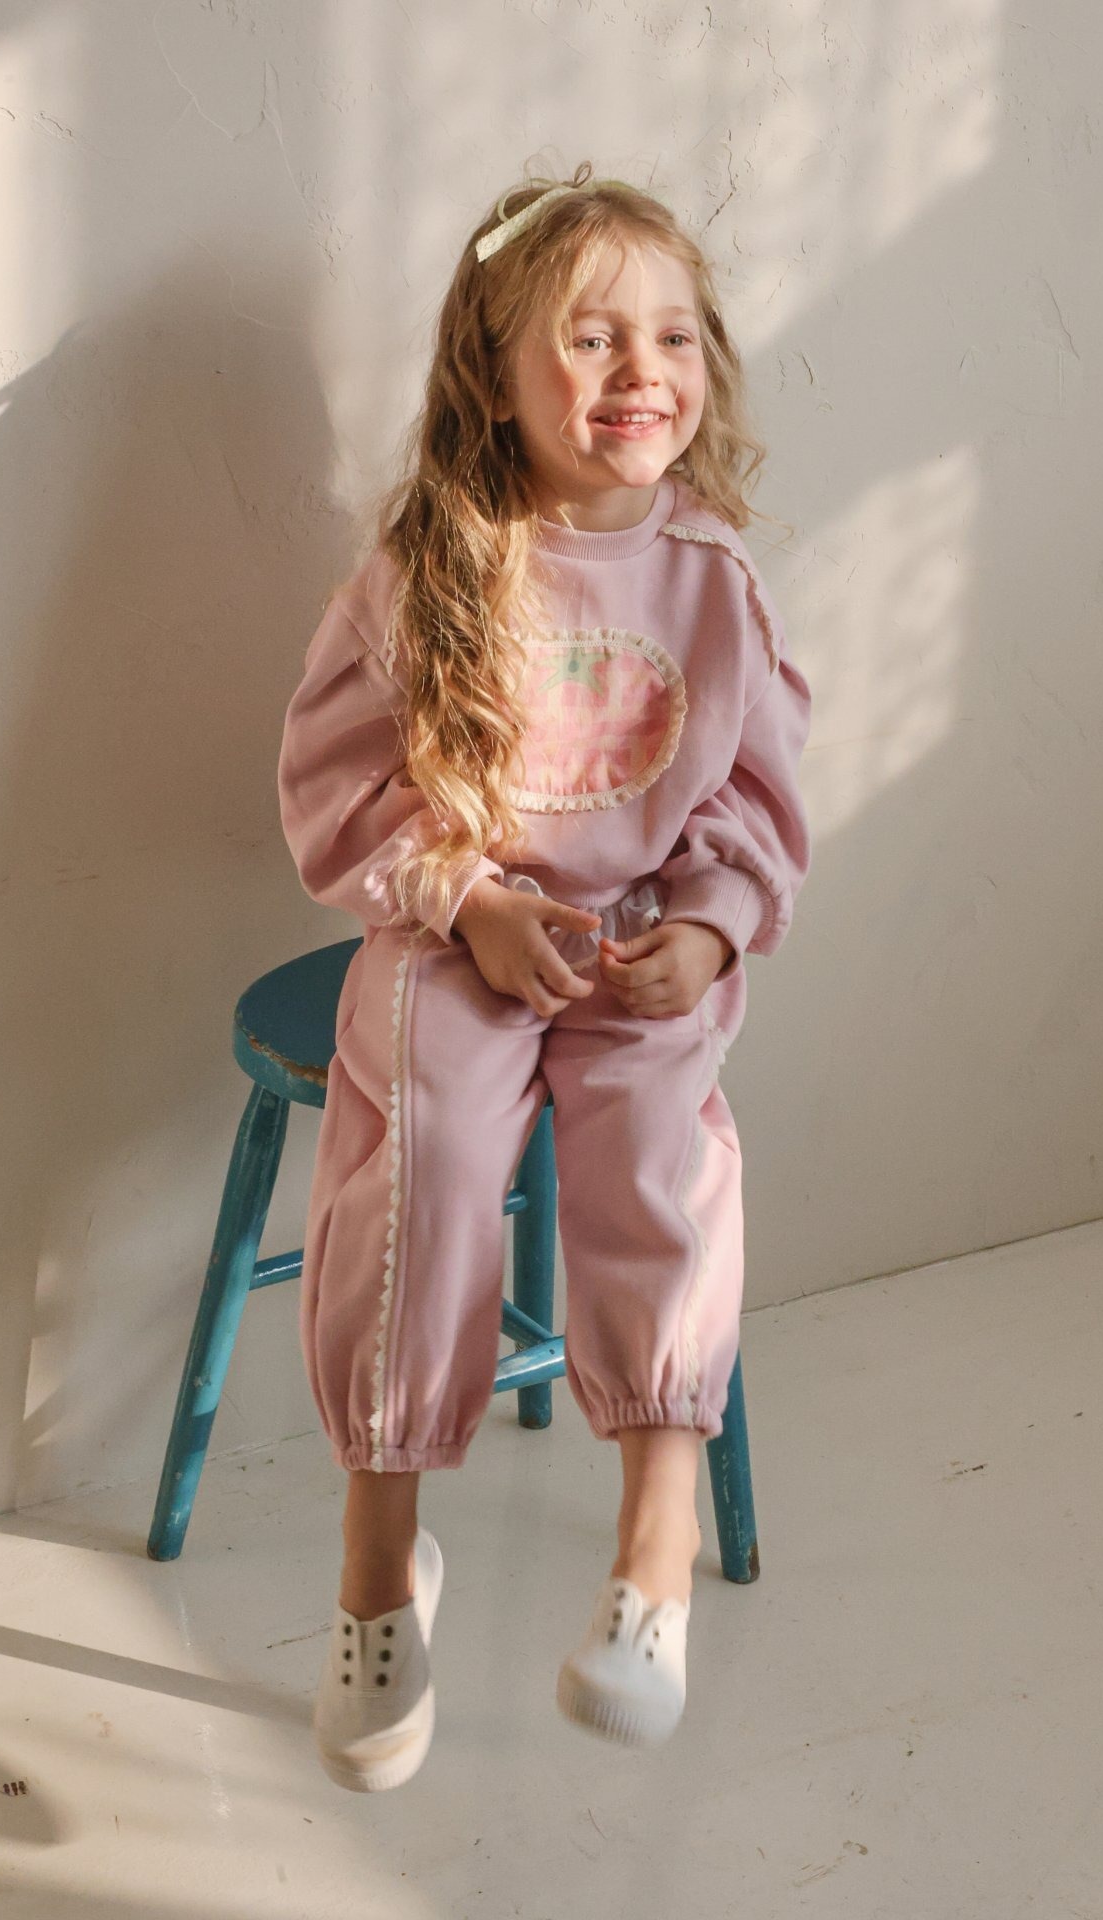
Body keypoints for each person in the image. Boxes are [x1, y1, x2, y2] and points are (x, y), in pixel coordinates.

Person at [277, 160, 812, 1790]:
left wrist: (707, 927)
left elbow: (752, 802)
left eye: (672, 337)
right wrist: (474, 904)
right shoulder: (435, 570)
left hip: (640, 937)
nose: (640, 370)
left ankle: (655, 1546)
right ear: (494, 373)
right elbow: (344, 789)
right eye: (590, 338)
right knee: (431, 1143)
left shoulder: (712, 581)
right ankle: (381, 1564)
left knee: (654, 1148)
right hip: (459, 932)